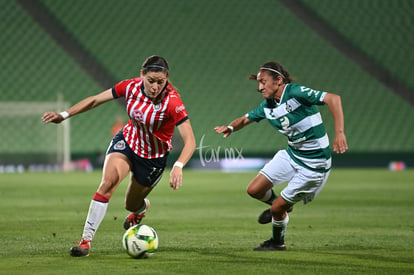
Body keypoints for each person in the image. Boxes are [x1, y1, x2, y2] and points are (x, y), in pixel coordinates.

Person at [42, 55, 196, 257]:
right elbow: (96, 99)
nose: (155, 87)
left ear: (166, 79)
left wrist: (178, 165)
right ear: (142, 75)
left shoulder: (172, 102)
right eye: (151, 81)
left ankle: (140, 210)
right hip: (127, 143)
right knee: (108, 183)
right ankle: (85, 242)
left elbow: (190, 140)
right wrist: (64, 115)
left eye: (160, 82)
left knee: (130, 204)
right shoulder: (130, 87)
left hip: (152, 158)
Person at [214, 61, 348, 251]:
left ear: (278, 80)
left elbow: (333, 98)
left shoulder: (295, 92)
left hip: (314, 164)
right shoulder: (268, 106)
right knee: (254, 190)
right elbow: (245, 119)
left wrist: (340, 132)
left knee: (277, 209)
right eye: (258, 83)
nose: (260, 87)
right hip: (292, 155)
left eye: (263, 82)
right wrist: (230, 127)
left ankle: (278, 241)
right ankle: (283, 205)